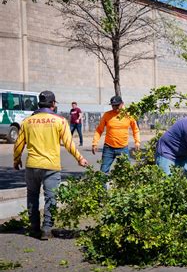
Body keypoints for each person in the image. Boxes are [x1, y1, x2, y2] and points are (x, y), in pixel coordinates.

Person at [13, 90, 88, 240]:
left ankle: (34, 227)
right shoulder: (60, 121)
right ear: (53, 104)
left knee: (32, 196)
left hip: (32, 165)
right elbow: (68, 143)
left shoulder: (27, 121)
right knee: (51, 198)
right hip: (51, 167)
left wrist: (16, 159)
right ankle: (46, 229)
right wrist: (79, 158)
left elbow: (19, 144)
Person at [92, 96, 140, 173]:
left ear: (122, 104)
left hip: (123, 148)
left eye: (117, 105)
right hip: (108, 148)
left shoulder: (128, 115)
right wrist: (95, 143)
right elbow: (99, 130)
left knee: (126, 172)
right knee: (103, 172)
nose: (114, 107)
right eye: (113, 105)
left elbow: (135, 129)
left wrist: (137, 142)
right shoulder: (107, 115)